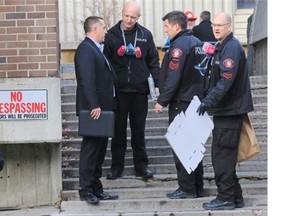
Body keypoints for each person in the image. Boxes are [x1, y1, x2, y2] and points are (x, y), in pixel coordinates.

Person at [197, 12, 254, 210]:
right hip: (225, 110)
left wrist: (207, 102)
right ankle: (235, 197)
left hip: (230, 111)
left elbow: (226, 81)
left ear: (230, 26)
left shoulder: (231, 47)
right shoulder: (223, 46)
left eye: (221, 25)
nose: (216, 28)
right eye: (214, 24)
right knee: (224, 156)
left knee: (221, 156)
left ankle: (226, 198)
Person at [104, 0, 160, 180]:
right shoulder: (111, 34)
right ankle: (116, 167)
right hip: (118, 90)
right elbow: (104, 61)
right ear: (122, 14)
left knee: (139, 130)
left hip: (138, 89)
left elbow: (153, 61)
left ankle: (141, 167)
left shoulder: (145, 34)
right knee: (117, 130)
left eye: (133, 17)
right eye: (127, 16)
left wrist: (158, 83)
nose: (129, 20)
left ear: (138, 17)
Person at [155, 10, 206, 199]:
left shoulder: (179, 46)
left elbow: (174, 77)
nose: (166, 31)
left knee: (182, 146)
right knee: (194, 146)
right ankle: (197, 186)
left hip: (182, 103)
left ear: (176, 26)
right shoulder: (197, 43)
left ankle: (186, 188)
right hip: (196, 101)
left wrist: (162, 101)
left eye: (167, 27)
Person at [74, 16, 119, 205]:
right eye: (103, 27)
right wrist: (94, 105)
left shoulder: (96, 49)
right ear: (94, 29)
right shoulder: (86, 49)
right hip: (95, 110)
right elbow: (87, 80)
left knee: (99, 150)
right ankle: (86, 189)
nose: (106, 31)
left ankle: (96, 187)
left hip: (103, 109)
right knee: (91, 150)